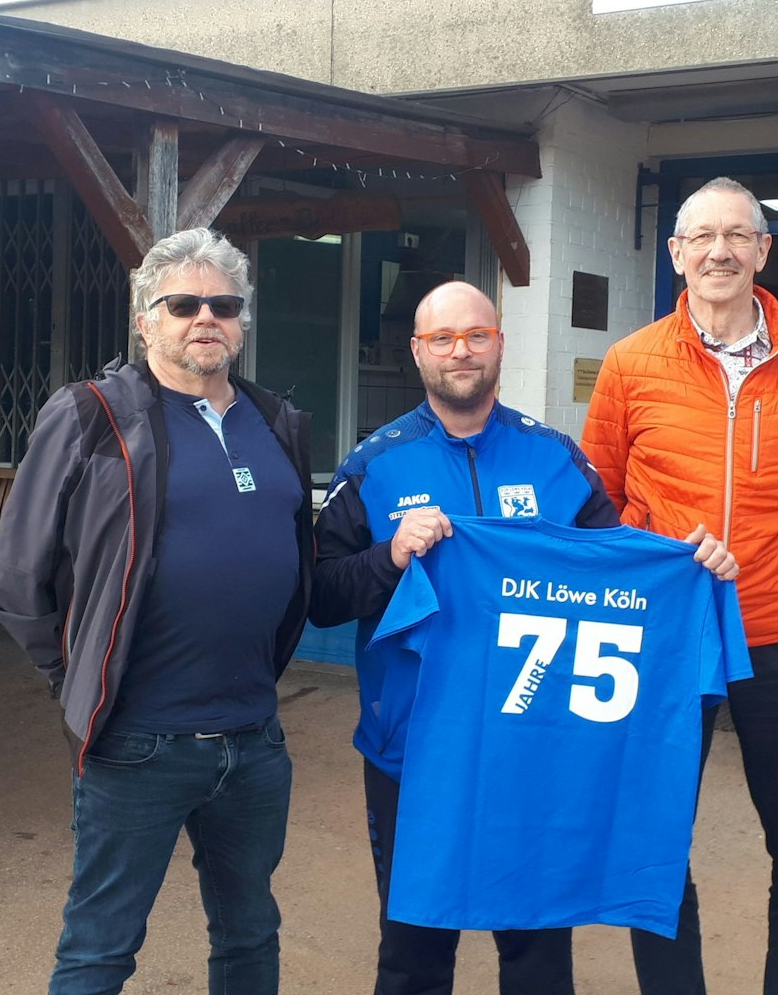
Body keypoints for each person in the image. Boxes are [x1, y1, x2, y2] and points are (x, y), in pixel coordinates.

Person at [311, 280, 735, 995]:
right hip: (414, 755)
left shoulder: (554, 459)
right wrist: (389, 558)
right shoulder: (376, 465)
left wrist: (689, 568)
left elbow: (620, 574)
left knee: (538, 951)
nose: (461, 351)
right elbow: (319, 596)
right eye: (442, 338)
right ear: (417, 352)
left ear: (500, 342)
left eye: (476, 334)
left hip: (537, 748)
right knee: (412, 953)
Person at [0, 228, 314, 995]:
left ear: (241, 321)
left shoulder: (276, 423)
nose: (207, 317)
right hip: (138, 741)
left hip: (254, 740)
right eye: (184, 303)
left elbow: (303, 562)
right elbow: (15, 576)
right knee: (101, 947)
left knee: (249, 933)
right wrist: (76, 679)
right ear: (146, 320)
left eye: (224, 305)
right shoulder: (92, 414)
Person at [583, 176, 778, 995]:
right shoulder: (632, 360)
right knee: (654, 842)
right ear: (676, 253)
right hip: (668, 636)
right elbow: (597, 499)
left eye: (737, 235)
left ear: (763, 250)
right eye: (701, 236)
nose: (720, 251)